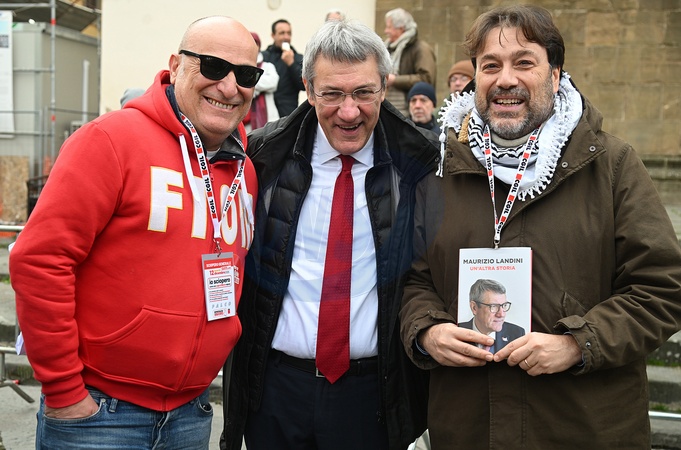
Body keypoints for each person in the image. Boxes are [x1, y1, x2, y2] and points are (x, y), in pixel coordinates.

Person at [400, 4, 681, 449]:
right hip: (470, 430)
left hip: (584, 430)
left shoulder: (611, 165)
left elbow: (662, 287)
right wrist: (427, 331)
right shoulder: (441, 172)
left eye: (524, 62)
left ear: (554, 75)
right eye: (490, 65)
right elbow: (414, 280)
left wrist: (578, 344)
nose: (505, 79)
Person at [10, 15, 260, 449]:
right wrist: (65, 393)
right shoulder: (110, 140)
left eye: (245, 74)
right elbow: (39, 260)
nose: (229, 86)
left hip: (190, 413)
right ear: (176, 66)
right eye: (214, 67)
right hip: (98, 416)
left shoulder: (244, 171)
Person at [221, 18, 437, 450]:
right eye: (332, 94)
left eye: (363, 93)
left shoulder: (421, 166)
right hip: (276, 392)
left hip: (372, 395)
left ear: (385, 86)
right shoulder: (262, 157)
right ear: (307, 88)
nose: (349, 111)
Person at [383, 7, 436, 117]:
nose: (385, 31)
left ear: (401, 29)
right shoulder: (387, 48)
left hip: (409, 113)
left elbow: (426, 79)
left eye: (389, 27)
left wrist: (395, 80)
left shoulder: (421, 49)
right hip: (389, 109)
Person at [458, 279, 525, 352]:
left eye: (504, 305)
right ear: (474, 308)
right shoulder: (457, 331)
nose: (501, 314)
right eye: (493, 306)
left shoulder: (517, 334)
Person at [261, 19, 305, 117]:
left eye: (289, 33)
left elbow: (304, 85)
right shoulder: (264, 57)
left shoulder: (298, 58)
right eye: (282, 33)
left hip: (288, 115)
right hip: (266, 114)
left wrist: (291, 64)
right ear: (273, 35)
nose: (286, 37)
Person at [244, 32, 279, 132]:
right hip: (247, 122)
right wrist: (261, 84)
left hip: (269, 118)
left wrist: (251, 83)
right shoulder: (242, 67)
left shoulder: (268, 66)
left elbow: (273, 83)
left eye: (255, 43)